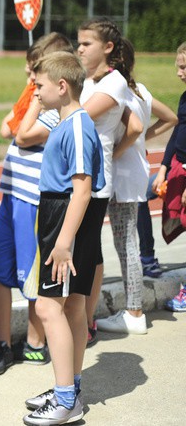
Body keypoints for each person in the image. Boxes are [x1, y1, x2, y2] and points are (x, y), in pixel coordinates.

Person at [23, 51, 104, 425]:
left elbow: (83, 190)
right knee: (70, 306)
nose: (35, 92)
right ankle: (67, 387)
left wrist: (63, 240)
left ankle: (67, 399)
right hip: (63, 215)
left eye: (39, 85)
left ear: (61, 85)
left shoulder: (75, 126)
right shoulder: (68, 122)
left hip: (65, 218)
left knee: (48, 306)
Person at [0, 32, 74, 375]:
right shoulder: (36, 98)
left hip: (33, 199)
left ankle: (36, 343)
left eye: (36, 75)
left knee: (33, 278)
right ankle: (3, 342)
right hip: (12, 193)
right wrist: (32, 92)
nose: (30, 82)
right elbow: (8, 127)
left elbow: (22, 134)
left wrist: (35, 96)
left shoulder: (57, 112)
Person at [96, 39, 176, 334]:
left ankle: (134, 311)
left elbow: (136, 128)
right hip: (135, 172)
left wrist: (120, 148)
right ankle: (134, 309)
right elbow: (171, 118)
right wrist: (142, 141)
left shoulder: (121, 93)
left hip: (120, 175)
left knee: (126, 243)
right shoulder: (140, 90)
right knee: (127, 242)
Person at [77, 19, 142, 346]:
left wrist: (113, 153)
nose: (79, 49)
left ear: (108, 47)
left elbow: (79, 116)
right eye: (78, 43)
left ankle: (86, 321)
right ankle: (81, 320)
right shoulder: (91, 79)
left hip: (94, 177)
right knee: (82, 249)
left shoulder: (114, 82)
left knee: (88, 251)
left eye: (86, 43)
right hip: (78, 173)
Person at [160, 42, 186, 311]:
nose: (179, 72)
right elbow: (176, 136)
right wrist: (163, 167)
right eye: (178, 66)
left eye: (184, 67)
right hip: (179, 167)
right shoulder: (184, 98)